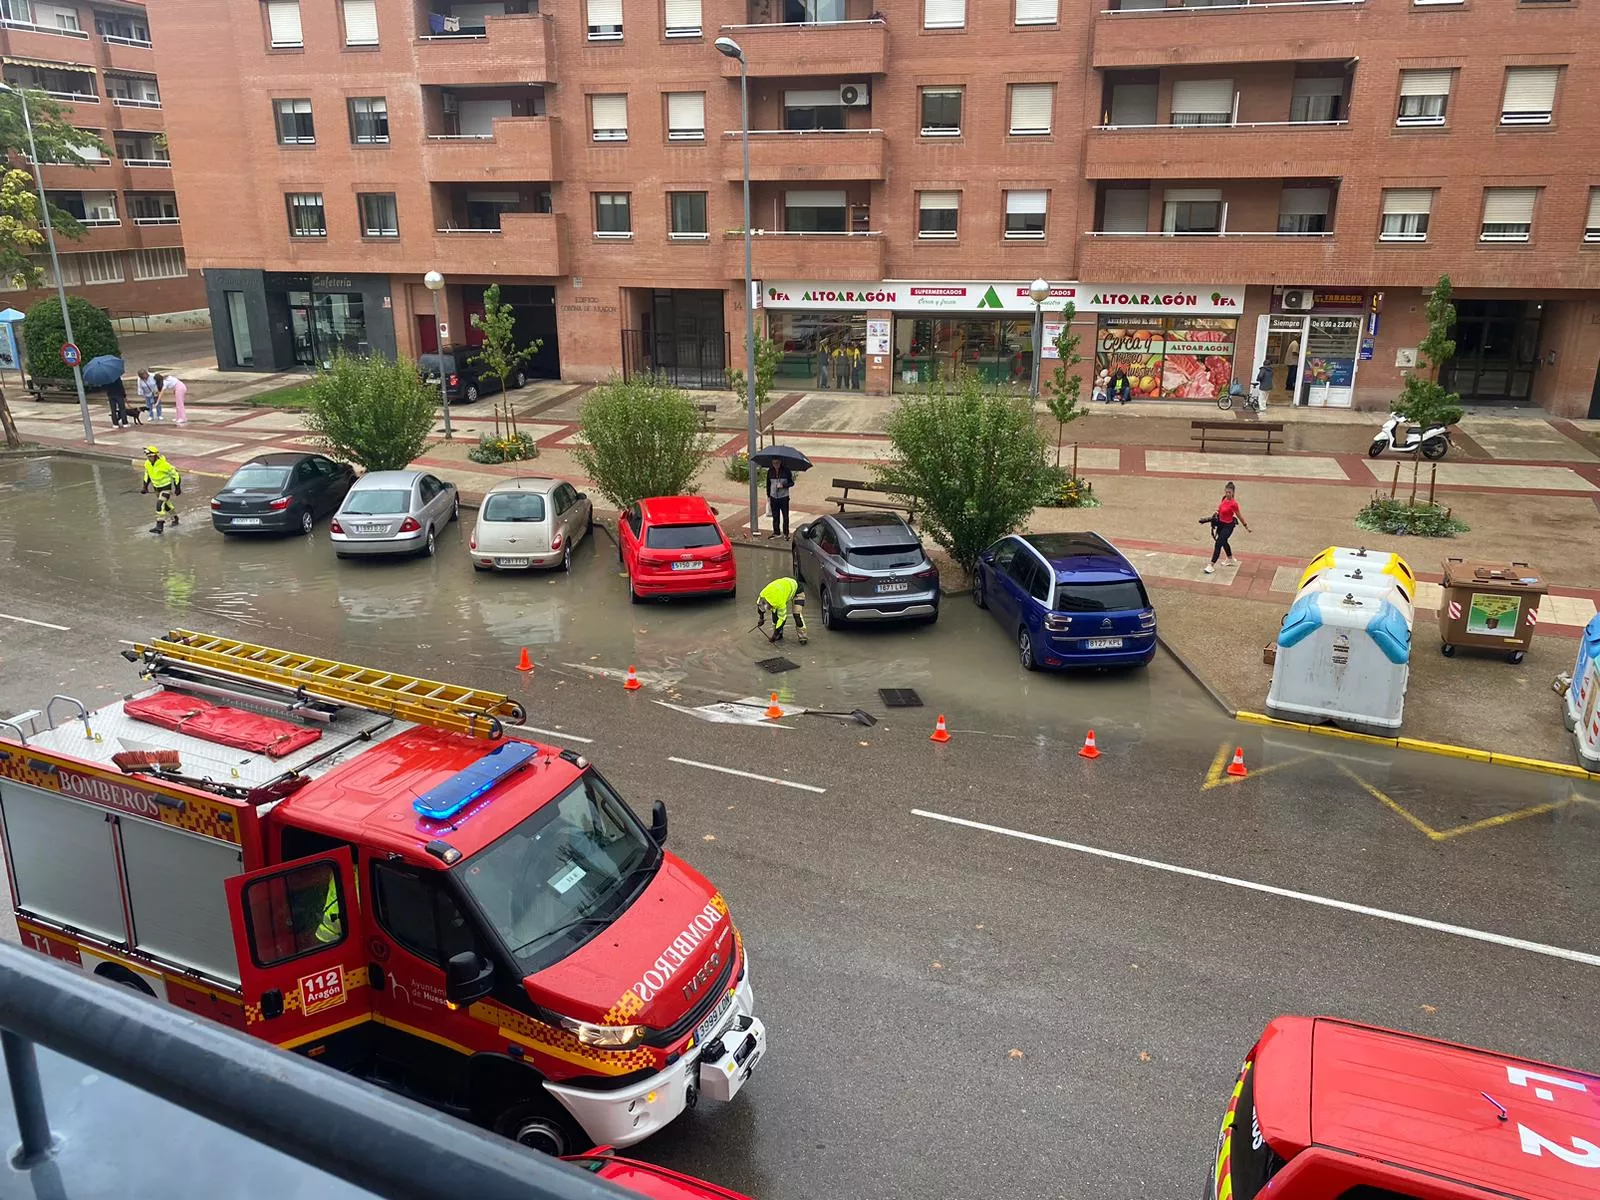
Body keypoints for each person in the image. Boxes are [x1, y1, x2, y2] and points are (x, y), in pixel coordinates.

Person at [1204, 481, 1249, 573]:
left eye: (1229, 492)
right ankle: (1230, 558)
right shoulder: (1224, 499)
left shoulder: (1234, 504)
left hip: (1228, 526)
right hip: (1221, 524)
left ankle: (1211, 565)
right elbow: (1220, 508)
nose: (1227, 494)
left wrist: (1246, 526)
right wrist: (1215, 513)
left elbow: (1239, 515)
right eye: (1226, 492)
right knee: (1224, 542)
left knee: (1218, 544)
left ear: (1233, 493)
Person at [141, 444, 182, 534]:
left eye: (151, 456)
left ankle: (159, 526)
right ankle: (175, 518)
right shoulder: (147, 464)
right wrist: (145, 487)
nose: (149, 458)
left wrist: (177, 488)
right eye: (148, 456)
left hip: (166, 488)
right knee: (166, 505)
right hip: (156, 489)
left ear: (156, 456)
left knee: (160, 504)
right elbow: (147, 475)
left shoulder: (164, 465)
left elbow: (176, 475)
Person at [756, 576, 807, 644]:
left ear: (771, 605)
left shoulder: (779, 603)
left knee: (797, 615)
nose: (768, 609)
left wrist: (774, 635)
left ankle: (803, 636)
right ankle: (779, 634)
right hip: (784, 587)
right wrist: (761, 618)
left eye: (768, 608)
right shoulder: (762, 595)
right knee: (775, 616)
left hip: (797, 589)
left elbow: (782, 619)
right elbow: (760, 608)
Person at [766, 460, 793, 539]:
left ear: (780, 462)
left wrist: (783, 485)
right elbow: (768, 484)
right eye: (774, 463)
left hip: (784, 497)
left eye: (777, 463)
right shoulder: (770, 471)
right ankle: (776, 532)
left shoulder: (786, 471)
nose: (775, 465)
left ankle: (786, 533)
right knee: (775, 516)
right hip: (773, 497)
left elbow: (791, 483)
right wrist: (768, 496)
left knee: (785, 516)